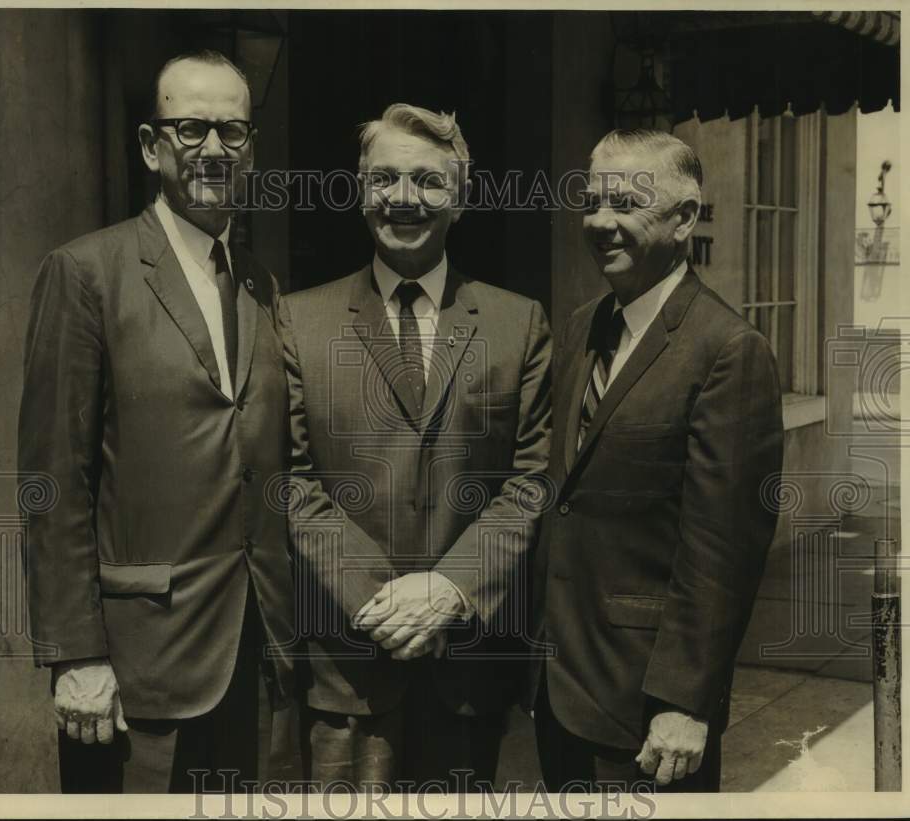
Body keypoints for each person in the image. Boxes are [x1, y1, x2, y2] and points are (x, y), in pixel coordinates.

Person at [18, 49, 295, 793]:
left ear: (252, 149)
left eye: (232, 132)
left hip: (247, 658)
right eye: (191, 128)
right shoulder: (86, 273)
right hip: (129, 673)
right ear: (151, 146)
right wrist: (76, 655)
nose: (213, 149)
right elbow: (53, 478)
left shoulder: (260, 288)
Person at [282, 103, 552, 790]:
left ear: (460, 198)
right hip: (346, 670)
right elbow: (292, 477)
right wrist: (382, 602)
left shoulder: (517, 322)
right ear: (360, 190)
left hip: (464, 669)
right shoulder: (297, 319)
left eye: (429, 182)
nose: (405, 199)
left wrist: (447, 589)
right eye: (386, 180)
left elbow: (529, 481)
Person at [529, 129, 783, 792]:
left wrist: (687, 701)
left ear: (684, 217)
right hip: (561, 688)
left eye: (626, 203)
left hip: (647, 713)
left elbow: (722, 545)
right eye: (592, 202)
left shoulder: (728, 348)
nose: (601, 222)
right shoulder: (585, 324)